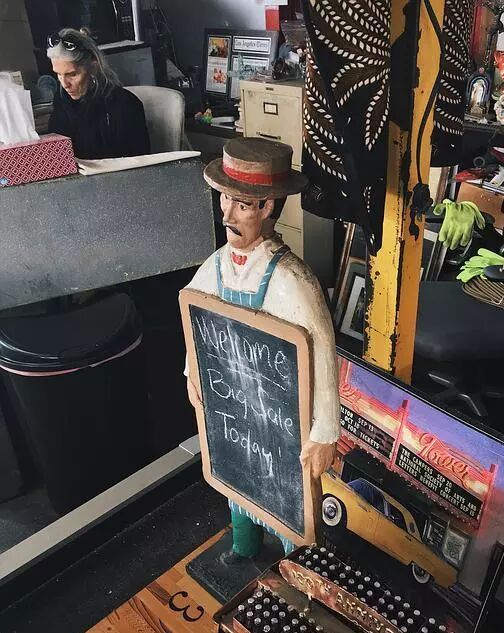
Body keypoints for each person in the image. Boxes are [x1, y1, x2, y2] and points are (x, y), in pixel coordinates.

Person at [183, 137, 340, 564]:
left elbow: (324, 355)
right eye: (225, 200)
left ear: (268, 207)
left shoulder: (293, 282)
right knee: (238, 481)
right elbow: (194, 316)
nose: (227, 215)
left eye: (241, 205)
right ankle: (244, 546)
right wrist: (193, 372)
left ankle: (296, 569)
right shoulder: (215, 268)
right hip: (236, 413)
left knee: (292, 505)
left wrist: (325, 432)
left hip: (282, 426)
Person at [47, 28, 150, 159]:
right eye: (58, 74)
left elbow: (140, 162)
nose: (65, 84)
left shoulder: (126, 105)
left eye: (72, 74)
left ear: (93, 67)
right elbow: (58, 156)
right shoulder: (61, 102)